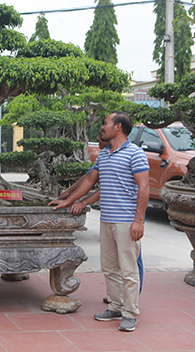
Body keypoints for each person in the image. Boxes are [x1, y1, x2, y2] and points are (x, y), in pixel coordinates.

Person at [49, 112, 149, 332]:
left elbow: (144, 187)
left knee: (129, 270)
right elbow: (89, 182)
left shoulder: (135, 154)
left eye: (106, 123)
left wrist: (138, 221)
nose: (102, 127)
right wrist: (70, 201)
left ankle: (130, 313)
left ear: (118, 128)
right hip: (107, 220)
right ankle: (115, 306)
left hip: (126, 222)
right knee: (110, 267)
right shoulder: (104, 155)